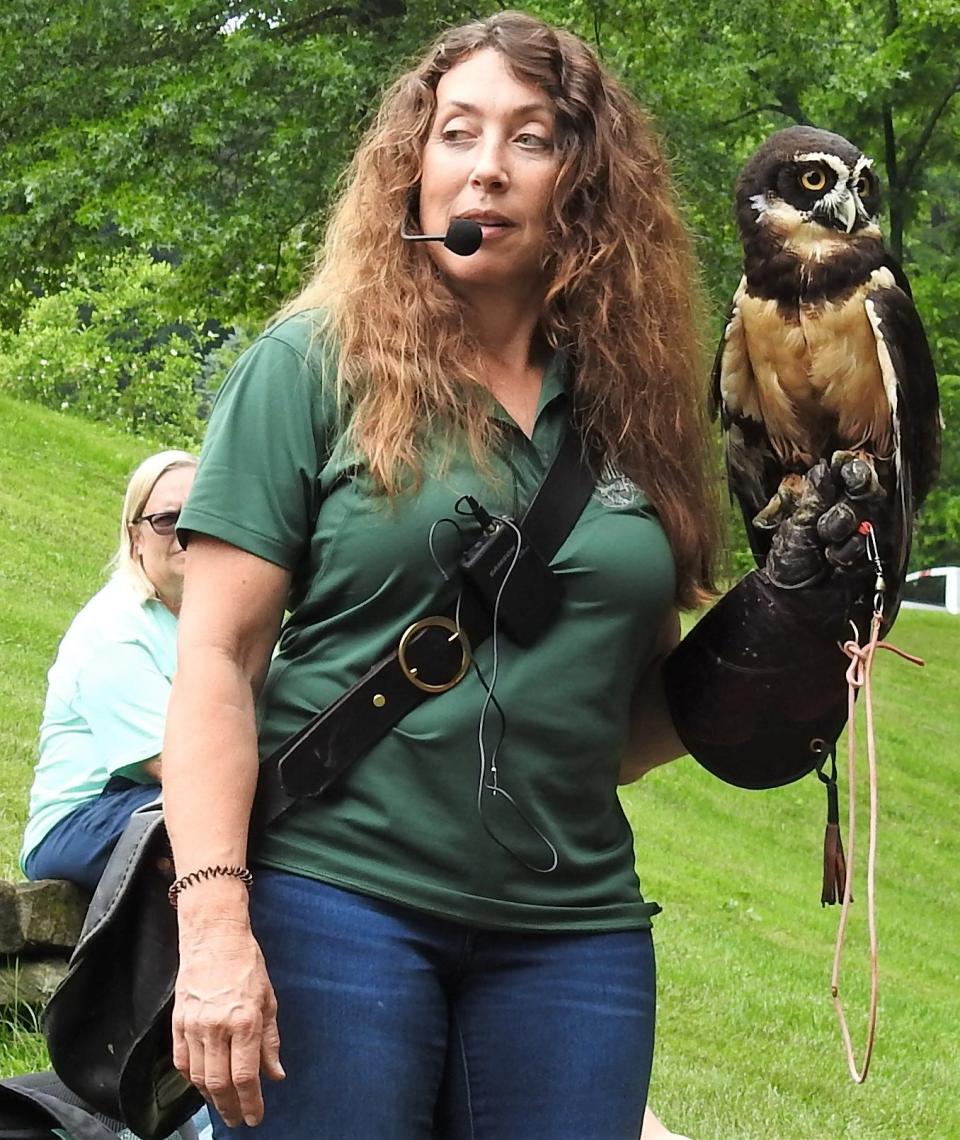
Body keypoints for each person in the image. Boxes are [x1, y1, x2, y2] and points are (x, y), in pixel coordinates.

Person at [164, 11, 721, 1139]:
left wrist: (787, 666)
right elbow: (217, 661)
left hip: (575, 937)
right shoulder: (313, 366)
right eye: (458, 132)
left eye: (532, 136)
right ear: (412, 168)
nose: (487, 166)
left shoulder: (638, 410)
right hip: (333, 903)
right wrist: (215, 927)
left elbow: (618, 724)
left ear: (588, 180)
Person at [20, 450, 196, 894]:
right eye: (166, 520)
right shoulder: (114, 627)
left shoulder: (214, 624)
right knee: (206, 822)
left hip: (149, 804)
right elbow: (178, 767)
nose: (186, 533)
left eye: (199, 516)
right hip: (78, 822)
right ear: (135, 537)